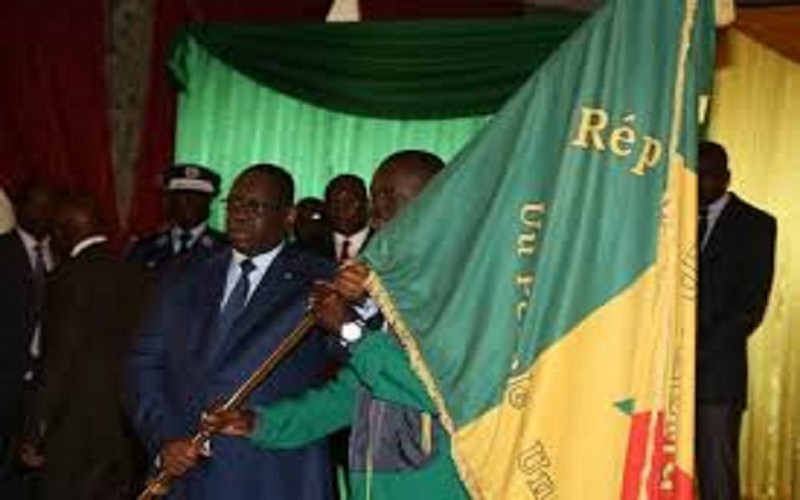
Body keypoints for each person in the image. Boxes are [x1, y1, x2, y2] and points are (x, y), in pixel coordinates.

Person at [205, 151, 469, 500]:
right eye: (376, 199)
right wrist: (260, 424)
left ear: (434, 200)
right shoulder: (400, 283)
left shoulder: (464, 285)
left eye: (389, 197)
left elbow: (440, 392)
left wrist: (350, 329)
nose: (375, 214)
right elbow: (355, 392)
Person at [128, 164, 336, 499]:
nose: (239, 215)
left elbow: (349, 371)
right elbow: (144, 364)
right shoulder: (184, 274)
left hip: (275, 476)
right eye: (234, 204)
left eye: (255, 207)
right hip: (185, 474)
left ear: (288, 215)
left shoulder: (321, 280)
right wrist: (164, 439)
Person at [31, 194, 150, 499]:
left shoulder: (67, 277)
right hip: (123, 426)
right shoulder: (137, 272)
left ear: (62, 231)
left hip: (73, 430)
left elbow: (58, 360)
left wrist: (34, 428)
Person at [696, 141, 776, 500]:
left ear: (726, 177)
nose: (699, 184)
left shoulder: (756, 225)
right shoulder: (670, 218)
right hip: (660, 380)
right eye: (694, 175)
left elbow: (749, 308)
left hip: (715, 378)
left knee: (716, 480)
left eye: (708, 175)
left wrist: (694, 354)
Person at [0, 182, 56, 498]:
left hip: (45, 389)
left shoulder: (64, 255)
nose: (42, 213)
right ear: (19, 208)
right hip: (5, 383)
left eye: (48, 207)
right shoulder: (1, 252)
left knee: (34, 474)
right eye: (35, 205)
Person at [127, 164, 227, 272]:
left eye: (198, 196)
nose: (190, 202)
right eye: (182, 195)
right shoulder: (145, 249)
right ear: (170, 201)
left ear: (209, 202)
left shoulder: (225, 250)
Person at [325, 174, 371, 262]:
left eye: (350, 202)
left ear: (367, 205)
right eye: (335, 202)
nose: (342, 209)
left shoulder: (383, 243)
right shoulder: (310, 246)